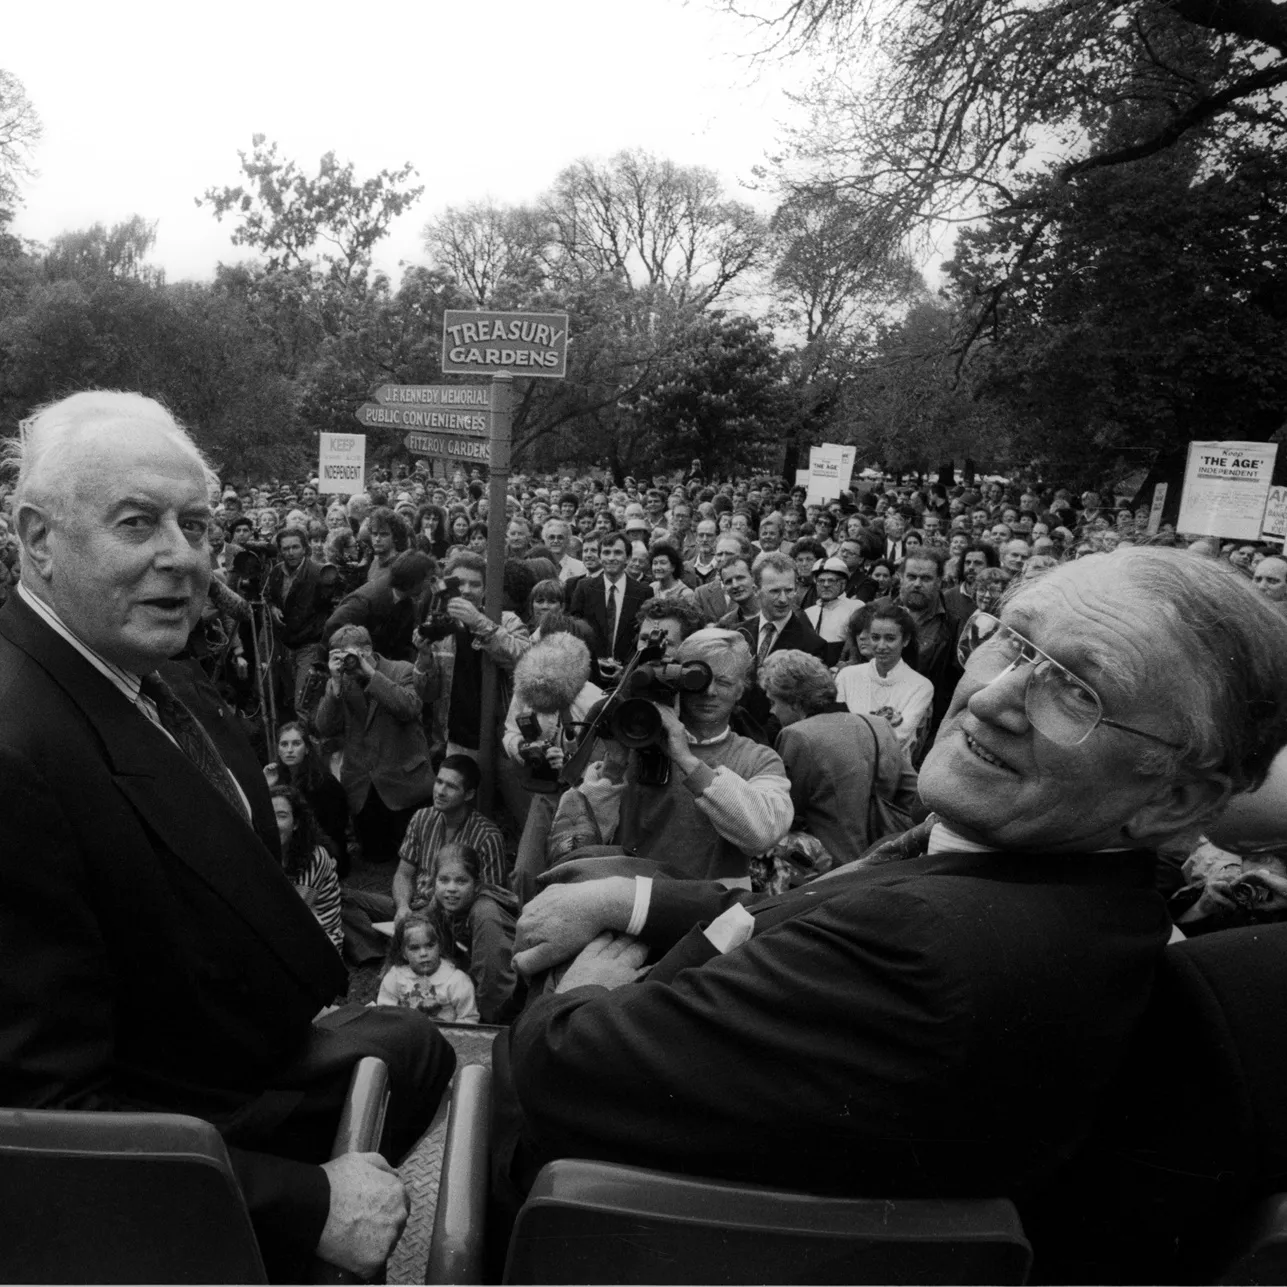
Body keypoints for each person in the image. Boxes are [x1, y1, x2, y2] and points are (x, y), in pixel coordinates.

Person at [492, 546, 1287, 1217]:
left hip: (564, 1208)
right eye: (1014, 643)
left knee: (400, 1055)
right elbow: (816, 903)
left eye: (1077, 689)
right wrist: (626, 897)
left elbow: (564, 1067)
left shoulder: (923, 956)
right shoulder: (1048, 872)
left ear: (1176, 797)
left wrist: (578, 989)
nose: (994, 695)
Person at [0, 391, 453, 1280]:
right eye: (138, 522)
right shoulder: (15, 754)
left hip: (229, 1046)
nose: (182, 556)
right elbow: (42, 1116)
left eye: (196, 524)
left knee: (415, 1045)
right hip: (181, 1139)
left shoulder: (135, 670)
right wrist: (306, 1204)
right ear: (38, 538)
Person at [548, 627, 793, 883]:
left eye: (724, 682)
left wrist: (686, 759)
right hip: (627, 902)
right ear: (677, 681)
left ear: (741, 690)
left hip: (711, 909)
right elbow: (578, 842)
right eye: (698, 680)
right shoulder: (636, 742)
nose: (709, 692)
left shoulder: (759, 758)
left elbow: (763, 834)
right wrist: (613, 767)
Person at [761, 648, 919, 867]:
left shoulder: (797, 736)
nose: (773, 712)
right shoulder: (878, 725)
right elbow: (913, 794)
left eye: (773, 702)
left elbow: (786, 812)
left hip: (829, 866)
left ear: (795, 703)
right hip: (887, 856)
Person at [315, 623, 432, 864]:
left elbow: (409, 708)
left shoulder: (402, 671)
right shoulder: (339, 681)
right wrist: (334, 687)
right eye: (339, 656)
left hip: (404, 783)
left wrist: (370, 675)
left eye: (350, 655)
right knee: (374, 859)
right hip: (363, 787)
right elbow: (325, 728)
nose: (346, 662)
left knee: (415, 857)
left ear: (367, 651)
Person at [835, 604, 935, 754]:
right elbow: (836, 728)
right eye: (875, 637)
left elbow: (898, 738)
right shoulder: (846, 676)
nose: (881, 646)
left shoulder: (920, 686)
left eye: (890, 638)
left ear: (906, 640)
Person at [265, 719, 350, 875]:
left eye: (296, 743)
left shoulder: (323, 783)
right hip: (292, 846)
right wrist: (267, 787)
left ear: (307, 749)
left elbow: (333, 830)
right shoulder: (278, 777)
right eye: (284, 744)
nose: (289, 750)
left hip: (324, 852)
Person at [569, 531, 650, 683]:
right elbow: (575, 632)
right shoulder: (584, 588)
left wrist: (626, 670)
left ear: (628, 558)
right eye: (606, 552)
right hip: (590, 674)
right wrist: (593, 663)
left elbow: (643, 636)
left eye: (618, 553)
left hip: (627, 676)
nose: (611, 558)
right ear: (600, 557)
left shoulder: (643, 592)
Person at [271, 784, 343, 952]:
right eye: (269, 816)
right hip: (282, 932)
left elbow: (297, 912)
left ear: (296, 823)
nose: (273, 823)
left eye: (281, 816)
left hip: (320, 939)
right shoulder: (266, 851)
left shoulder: (315, 856)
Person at [376, 914, 479, 1023]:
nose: (423, 953)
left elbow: (468, 1018)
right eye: (414, 948)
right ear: (404, 953)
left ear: (440, 946)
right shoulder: (396, 976)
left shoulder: (457, 981)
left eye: (430, 945)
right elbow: (385, 1013)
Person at [804, 555, 864, 668]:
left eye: (831, 580)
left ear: (843, 583)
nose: (826, 585)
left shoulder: (856, 607)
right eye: (821, 581)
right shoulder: (808, 612)